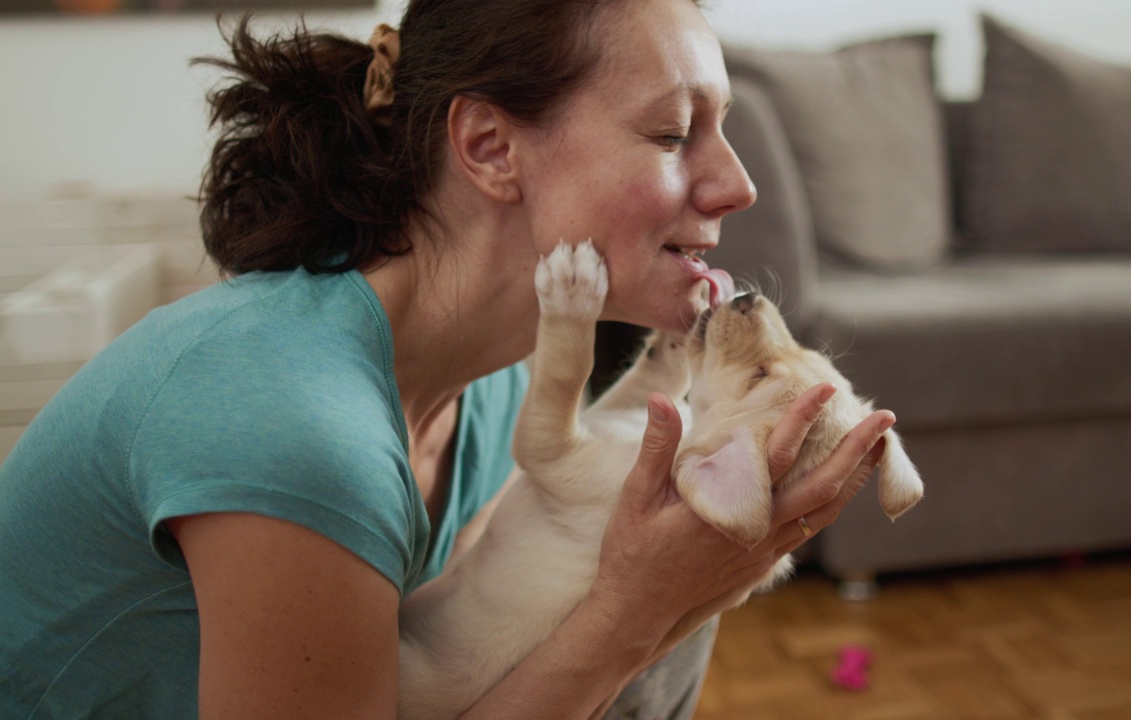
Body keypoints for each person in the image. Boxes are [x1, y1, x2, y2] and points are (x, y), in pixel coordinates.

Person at [0, 0, 895, 717]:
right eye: (671, 133)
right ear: (490, 149)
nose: (738, 183)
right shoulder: (297, 429)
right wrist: (638, 612)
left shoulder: (503, 381)